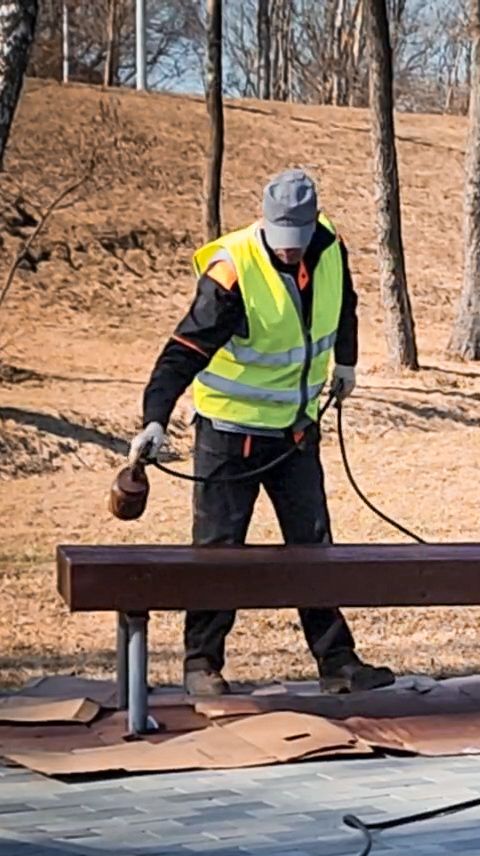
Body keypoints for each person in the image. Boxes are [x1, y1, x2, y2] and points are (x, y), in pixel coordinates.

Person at [129, 168, 395, 697]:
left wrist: (346, 362)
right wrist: (155, 417)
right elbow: (183, 350)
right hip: (229, 434)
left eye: (298, 242)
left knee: (313, 545)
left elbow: (345, 305)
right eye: (282, 242)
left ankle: (337, 663)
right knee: (219, 551)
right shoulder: (233, 272)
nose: (290, 253)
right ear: (266, 224)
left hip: (294, 431)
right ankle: (201, 664)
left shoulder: (330, 246)